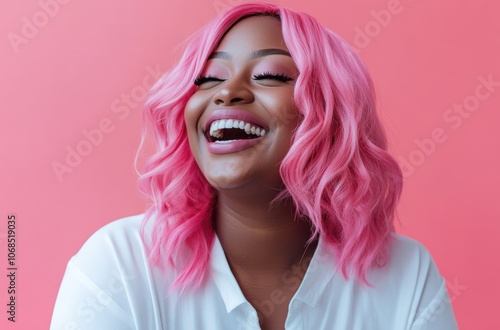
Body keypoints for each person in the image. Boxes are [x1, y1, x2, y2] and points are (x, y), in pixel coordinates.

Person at [50, 2, 458, 329]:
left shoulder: (407, 276)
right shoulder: (119, 266)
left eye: (269, 74)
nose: (227, 92)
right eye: (207, 79)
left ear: (332, 115)